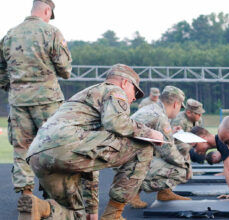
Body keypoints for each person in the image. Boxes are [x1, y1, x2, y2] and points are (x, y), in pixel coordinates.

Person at [22, 64, 164, 220]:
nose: (135, 97)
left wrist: (91, 209)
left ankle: (41, 207)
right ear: (124, 83)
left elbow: (90, 160)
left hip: (38, 155)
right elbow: (117, 122)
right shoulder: (114, 90)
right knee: (143, 146)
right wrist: (150, 132)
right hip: (66, 147)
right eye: (135, 91)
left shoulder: (82, 97)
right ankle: (113, 215)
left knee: (75, 215)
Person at [0, 0, 72, 199]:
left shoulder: (10, 35)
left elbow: (1, 72)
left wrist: (15, 87)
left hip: (18, 102)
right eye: (50, 14)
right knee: (52, 146)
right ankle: (53, 196)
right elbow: (65, 70)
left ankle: (26, 195)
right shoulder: (51, 32)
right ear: (47, 10)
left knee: (22, 148)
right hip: (47, 101)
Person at [129, 86, 192, 209]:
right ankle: (133, 190)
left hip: (127, 155)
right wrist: (186, 166)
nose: (179, 110)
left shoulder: (152, 109)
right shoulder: (160, 117)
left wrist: (171, 134)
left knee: (173, 155)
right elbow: (168, 151)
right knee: (181, 170)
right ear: (175, 104)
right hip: (130, 161)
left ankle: (165, 192)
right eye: (180, 107)